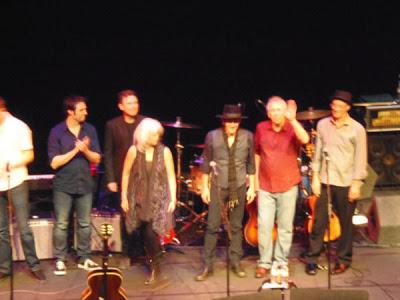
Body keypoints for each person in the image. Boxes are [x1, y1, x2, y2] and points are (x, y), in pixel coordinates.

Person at [305, 90, 367, 275]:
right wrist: (315, 176)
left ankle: (343, 259)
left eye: (340, 106)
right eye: (334, 105)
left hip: (347, 181)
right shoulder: (323, 124)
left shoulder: (357, 129)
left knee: (346, 224)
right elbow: (317, 152)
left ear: (348, 108)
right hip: (325, 179)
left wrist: (357, 183)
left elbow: (360, 157)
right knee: (318, 221)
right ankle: (312, 258)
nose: (336, 109)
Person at [195, 104, 256, 281]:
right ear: (223, 121)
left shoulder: (247, 137)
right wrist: (205, 187)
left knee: (236, 226)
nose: (232, 125)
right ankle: (208, 264)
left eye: (235, 121)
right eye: (229, 121)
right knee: (212, 225)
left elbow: (251, 163)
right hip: (217, 186)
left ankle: (236, 261)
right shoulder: (212, 136)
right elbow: (206, 163)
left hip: (238, 186)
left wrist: (252, 186)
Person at [254, 96, 309, 279]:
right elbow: (256, 154)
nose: (276, 113)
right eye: (273, 110)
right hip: (265, 185)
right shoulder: (261, 128)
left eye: (280, 110)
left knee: (285, 226)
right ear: (268, 113)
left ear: (284, 111)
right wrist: (254, 181)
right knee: (264, 226)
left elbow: (306, 139)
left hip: (288, 185)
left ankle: (281, 261)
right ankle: (264, 262)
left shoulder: (291, 127)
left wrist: (292, 120)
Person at [48, 95, 102, 275]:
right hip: (63, 185)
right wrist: (75, 150)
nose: (86, 112)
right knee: (62, 223)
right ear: (70, 112)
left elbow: (97, 158)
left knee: (85, 223)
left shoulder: (90, 130)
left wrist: (85, 150)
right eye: (82, 110)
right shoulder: (57, 132)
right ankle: (60, 259)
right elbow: (54, 163)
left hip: (85, 183)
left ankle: (84, 257)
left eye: (86, 109)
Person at [120, 118, 176, 287]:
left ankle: (157, 271)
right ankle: (155, 266)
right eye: (153, 134)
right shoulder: (134, 151)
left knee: (152, 233)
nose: (157, 137)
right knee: (145, 234)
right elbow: (126, 174)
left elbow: (171, 176)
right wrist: (124, 196)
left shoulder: (164, 151)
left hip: (158, 199)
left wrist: (173, 198)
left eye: (158, 134)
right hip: (139, 198)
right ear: (144, 135)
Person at [0, 97, 46, 281]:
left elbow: (30, 154)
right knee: (1, 230)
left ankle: (34, 265)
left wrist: (14, 162)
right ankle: (4, 267)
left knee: (23, 226)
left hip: (16, 180)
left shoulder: (19, 127)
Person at [103, 89, 145, 257]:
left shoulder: (145, 123)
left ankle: (143, 250)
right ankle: (128, 252)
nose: (134, 106)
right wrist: (111, 179)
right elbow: (108, 152)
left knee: (144, 214)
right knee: (126, 214)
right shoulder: (112, 125)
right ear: (121, 106)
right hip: (123, 177)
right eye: (129, 103)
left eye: (135, 102)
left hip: (143, 175)